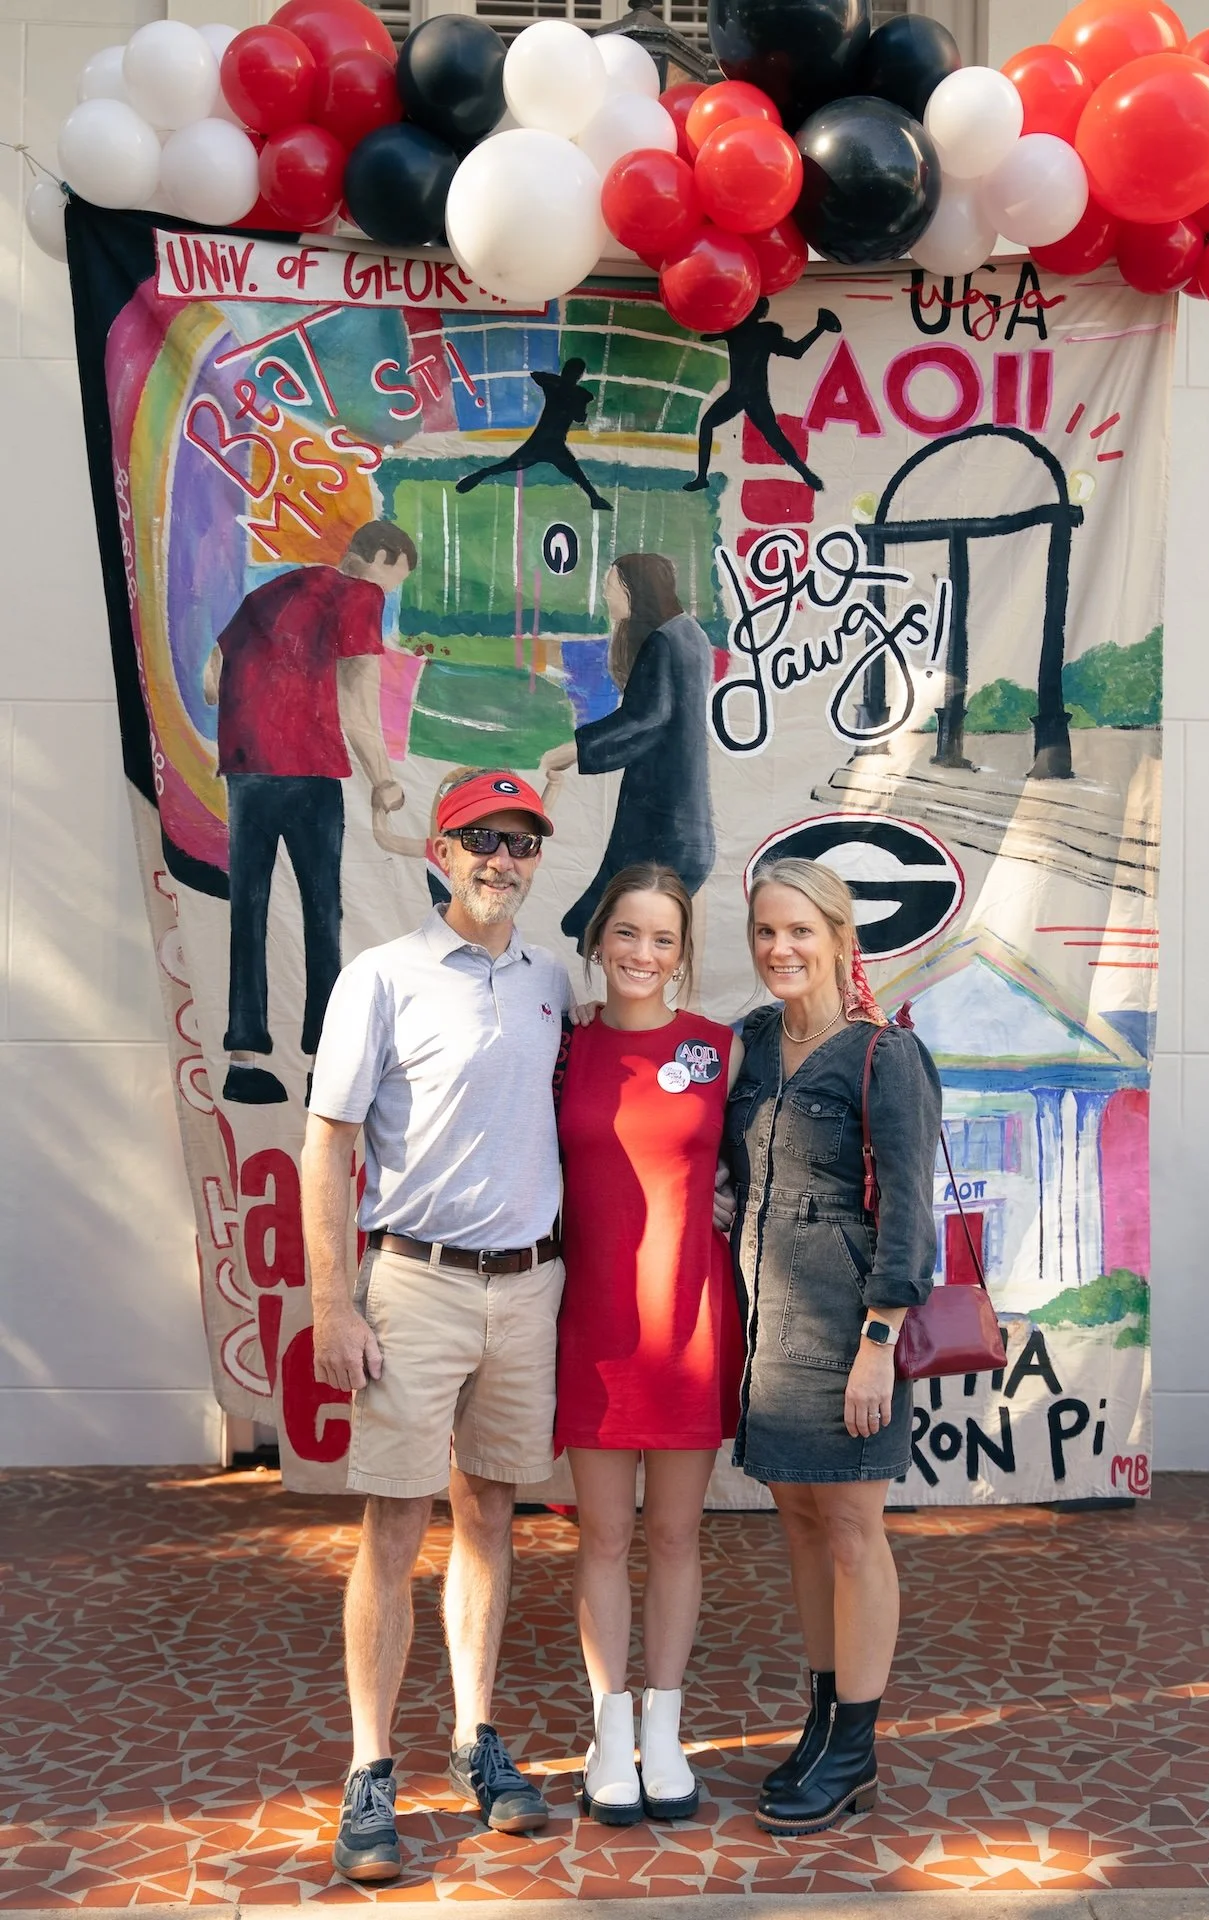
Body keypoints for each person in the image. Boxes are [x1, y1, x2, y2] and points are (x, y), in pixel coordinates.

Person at [301, 766, 571, 1883]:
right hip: (415, 1283)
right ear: (439, 852)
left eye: (521, 842)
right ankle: (370, 1769)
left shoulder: (550, 980)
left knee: (491, 1515)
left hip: (529, 1286)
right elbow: (327, 1144)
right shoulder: (381, 977)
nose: (502, 860)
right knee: (393, 1527)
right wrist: (330, 1301)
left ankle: (473, 1736)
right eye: (481, 840)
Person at [724, 857, 941, 1837]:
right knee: (804, 1530)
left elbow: (910, 1215)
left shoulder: (883, 1057)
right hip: (768, 1337)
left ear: (840, 940)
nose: (781, 948)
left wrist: (878, 1344)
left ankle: (854, 1748)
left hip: (850, 1335)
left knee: (854, 1534)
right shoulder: (750, 1044)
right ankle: (822, 1721)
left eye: (800, 931)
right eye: (766, 931)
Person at [554, 864, 744, 1826]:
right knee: (604, 1535)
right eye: (626, 933)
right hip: (591, 1319)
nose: (642, 953)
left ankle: (663, 1729)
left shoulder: (721, 1051)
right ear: (598, 940)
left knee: (675, 1535)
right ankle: (607, 1730)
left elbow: (760, 1161)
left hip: (688, 1318)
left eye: (663, 938)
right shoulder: (564, 1044)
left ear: (683, 953)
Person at [203, 519, 418, 1106]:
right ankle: (322, 1060)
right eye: (395, 578)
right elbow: (356, 701)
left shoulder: (277, 589)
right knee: (321, 912)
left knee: (248, 907)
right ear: (380, 556)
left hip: (248, 770)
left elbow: (212, 676)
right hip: (309, 772)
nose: (389, 591)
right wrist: (383, 780)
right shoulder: (359, 594)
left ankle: (243, 1059)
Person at [542, 554, 716, 953]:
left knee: (622, 933)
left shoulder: (663, 641)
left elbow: (645, 718)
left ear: (634, 590)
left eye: (611, 586)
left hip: (662, 828)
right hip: (681, 822)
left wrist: (575, 749)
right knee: (625, 929)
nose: (606, 595)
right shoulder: (689, 634)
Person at [684, 298, 842, 493]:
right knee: (774, 437)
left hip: (742, 394)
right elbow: (796, 351)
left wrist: (723, 321)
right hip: (750, 394)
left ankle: (702, 478)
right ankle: (807, 475)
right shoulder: (759, 331)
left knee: (770, 436)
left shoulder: (744, 331)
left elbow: (706, 336)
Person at [455, 357, 612, 511]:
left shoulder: (556, 386)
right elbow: (580, 418)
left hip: (541, 442)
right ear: (579, 375)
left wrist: (560, 383)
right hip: (553, 444)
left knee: (510, 465)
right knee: (575, 473)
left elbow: (537, 376)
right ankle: (594, 498)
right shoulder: (577, 393)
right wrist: (571, 393)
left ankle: (483, 473)